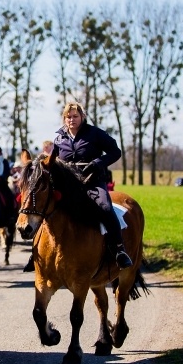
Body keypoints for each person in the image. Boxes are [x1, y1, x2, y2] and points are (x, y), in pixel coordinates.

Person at [54, 102, 132, 269]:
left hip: (93, 182)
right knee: (46, 207)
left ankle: (119, 250)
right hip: (68, 187)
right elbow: (52, 162)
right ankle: (37, 251)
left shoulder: (95, 134)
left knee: (105, 207)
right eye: (68, 117)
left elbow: (115, 152)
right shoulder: (59, 138)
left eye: (75, 116)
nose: (71, 120)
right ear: (64, 118)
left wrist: (98, 163)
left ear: (83, 117)